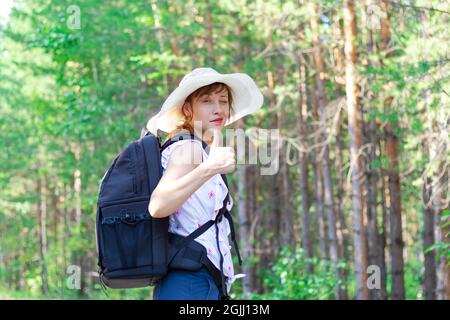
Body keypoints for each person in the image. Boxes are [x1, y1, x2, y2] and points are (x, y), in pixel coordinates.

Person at [147, 67, 263, 300]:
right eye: (207, 101)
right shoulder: (188, 147)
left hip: (203, 281)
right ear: (188, 109)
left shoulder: (201, 149)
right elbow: (157, 206)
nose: (218, 108)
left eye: (223, 100)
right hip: (189, 283)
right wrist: (210, 167)